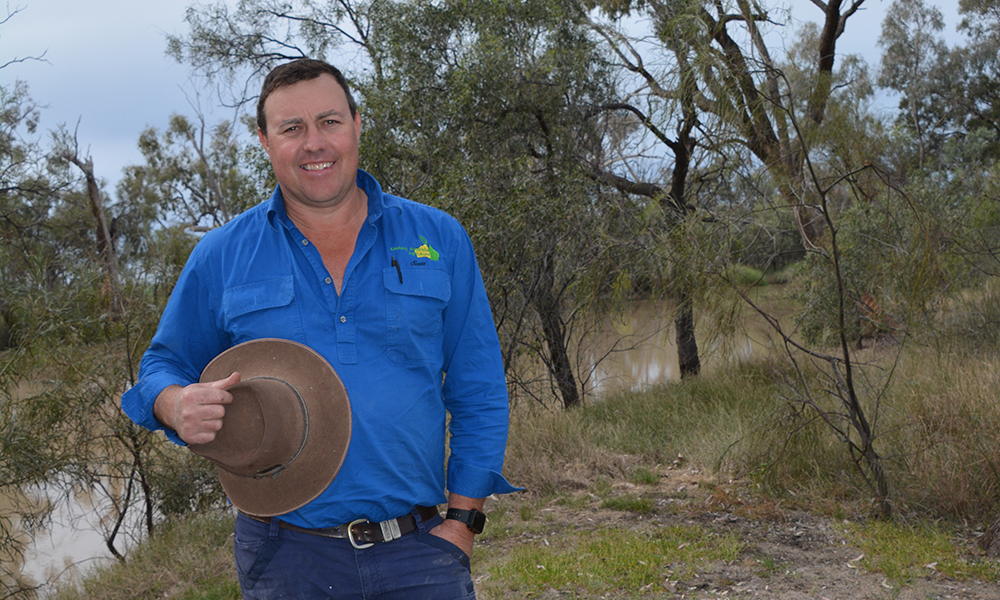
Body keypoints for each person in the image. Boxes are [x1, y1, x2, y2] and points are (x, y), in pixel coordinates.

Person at [121, 57, 520, 599]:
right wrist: (173, 404)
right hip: (285, 556)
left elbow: (479, 389)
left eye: (329, 121)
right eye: (291, 128)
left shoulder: (439, 237)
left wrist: (463, 522)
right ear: (264, 142)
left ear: (357, 124)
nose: (314, 143)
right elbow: (159, 367)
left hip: (420, 550)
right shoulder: (221, 256)